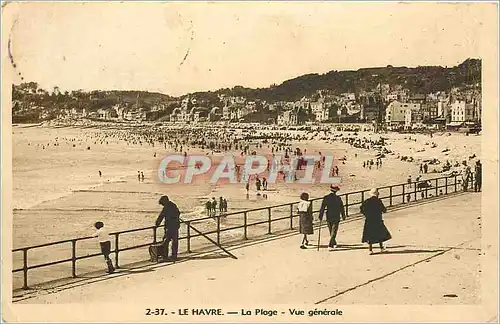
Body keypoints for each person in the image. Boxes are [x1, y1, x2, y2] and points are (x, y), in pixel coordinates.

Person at [360, 188, 392, 255]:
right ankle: (381, 248)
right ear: (377, 194)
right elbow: (384, 210)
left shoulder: (367, 201)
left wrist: (366, 215)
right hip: (377, 219)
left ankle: (370, 250)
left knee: (370, 235)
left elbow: (361, 209)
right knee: (379, 234)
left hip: (369, 220)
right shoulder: (378, 201)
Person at [319, 184, 346, 251]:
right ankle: (331, 244)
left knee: (331, 230)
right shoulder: (338, 198)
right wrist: (343, 215)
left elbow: (322, 207)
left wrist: (320, 215)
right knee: (334, 230)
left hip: (329, 215)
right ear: (336, 191)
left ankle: (333, 242)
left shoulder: (326, 197)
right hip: (336, 215)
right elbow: (341, 208)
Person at [155, 196, 180, 261]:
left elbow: (161, 216)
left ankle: (165, 256)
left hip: (169, 227)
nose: (162, 205)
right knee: (174, 241)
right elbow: (178, 213)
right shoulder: (173, 205)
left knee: (165, 242)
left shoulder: (166, 207)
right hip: (175, 226)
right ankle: (174, 256)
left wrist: (157, 224)